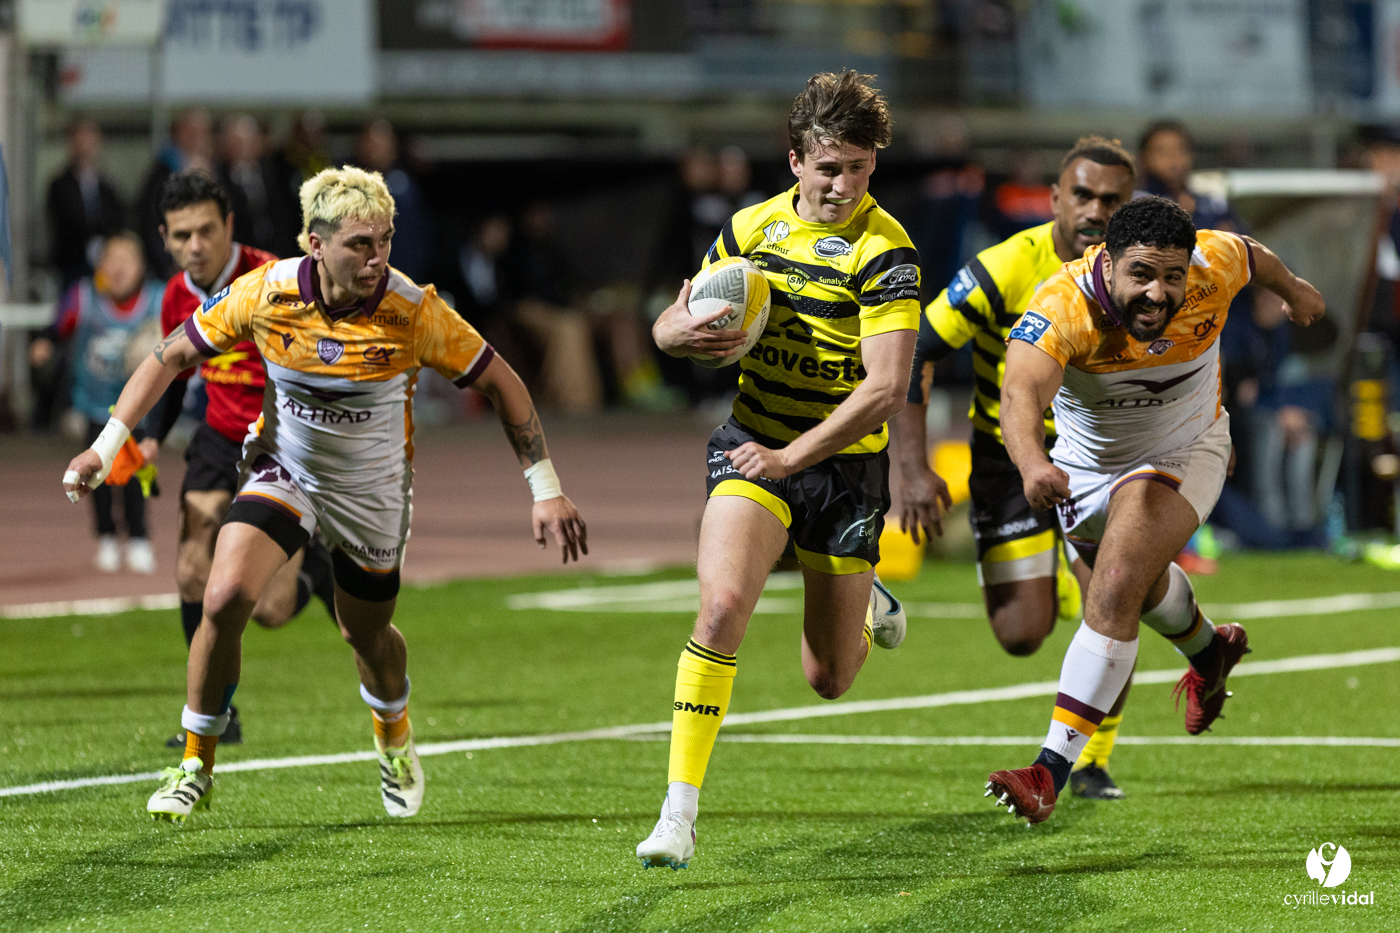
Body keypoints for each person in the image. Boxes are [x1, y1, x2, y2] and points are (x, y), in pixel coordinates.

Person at [61, 166, 588, 824]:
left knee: (363, 633)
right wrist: (105, 448)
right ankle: (196, 761)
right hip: (286, 472)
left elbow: (505, 383)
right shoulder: (264, 293)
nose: (377, 258)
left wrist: (545, 488)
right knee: (222, 595)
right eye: (359, 244)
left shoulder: (414, 310)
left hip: (371, 495)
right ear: (315, 243)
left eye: (385, 241)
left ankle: (394, 731)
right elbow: (170, 356)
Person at [636, 71, 919, 870]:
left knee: (828, 678)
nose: (842, 185)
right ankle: (678, 814)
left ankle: (865, 605)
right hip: (751, 442)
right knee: (722, 605)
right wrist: (675, 338)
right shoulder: (750, 229)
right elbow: (670, 317)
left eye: (859, 169)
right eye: (829, 168)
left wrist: (796, 456)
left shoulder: (887, 250)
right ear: (795, 159)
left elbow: (888, 388)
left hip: (841, 470)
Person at [983, 196, 1325, 824]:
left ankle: (1048, 770)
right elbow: (1019, 391)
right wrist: (1034, 464)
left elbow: (1252, 257)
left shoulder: (1212, 262)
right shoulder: (1061, 305)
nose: (1158, 293)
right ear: (1107, 263)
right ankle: (1208, 652)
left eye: (1171, 277)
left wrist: (1294, 288)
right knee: (1136, 589)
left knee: (1114, 585)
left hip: (1186, 447)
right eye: (1141, 274)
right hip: (1083, 472)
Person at [894, 136, 1137, 800]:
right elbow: (918, 349)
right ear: (1055, 198)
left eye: (1111, 199)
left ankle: (1089, 761)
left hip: (1102, 463)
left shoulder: (1142, 274)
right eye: (1082, 194)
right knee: (1022, 634)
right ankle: (1060, 581)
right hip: (1010, 460)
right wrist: (913, 469)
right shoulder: (1004, 266)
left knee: (1115, 595)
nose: (1095, 209)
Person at [136, 170, 335, 749]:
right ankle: (217, 714)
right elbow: (175, 371)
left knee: (269, 610)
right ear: (165, 238)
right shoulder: (176, 293)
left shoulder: (278, 279)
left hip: (280, 444)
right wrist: (151, 436)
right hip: (220, 439)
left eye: (204, 231)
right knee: (193, 570)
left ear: (228, 226)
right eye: (180, 237)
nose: (193, 247)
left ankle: (318, 564)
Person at [35, 233, 163, 572]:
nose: (119, 269)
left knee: (134, 474)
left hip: (136, 409)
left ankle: (139, 538)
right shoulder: (83, 297)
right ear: (100, 266)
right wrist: (45, 343)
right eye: (112, 260)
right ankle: (106, 536)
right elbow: (57, 325)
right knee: (97, 476)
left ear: (141, 267)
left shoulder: (157, 300)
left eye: (127, 261)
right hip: (95, 405)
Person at [47, 118, 127, 291]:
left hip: (105, 264)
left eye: (89, 140)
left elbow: (117, 218)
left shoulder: (107, 185)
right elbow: (65, 222)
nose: (85, 146)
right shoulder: (59, 185)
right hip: (71, 264)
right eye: (79, 140)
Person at [137, 109, 215, 279]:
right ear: (179, 134)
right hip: (171, 265)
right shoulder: (162, 172)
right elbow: (151, 221)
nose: (197, 138)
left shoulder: (214, 169)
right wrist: (166, 264)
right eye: (192, 132)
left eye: (202, 132)